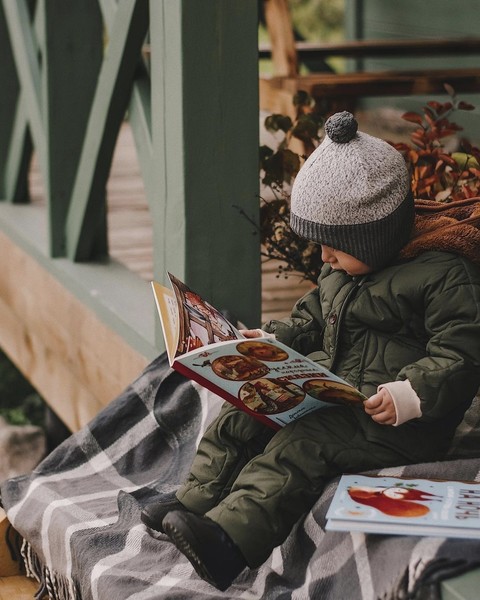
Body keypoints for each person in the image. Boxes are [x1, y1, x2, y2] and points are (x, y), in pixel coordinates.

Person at [141, 111, 480, 591]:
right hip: (332, 386)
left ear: (374, 236)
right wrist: (268, 345)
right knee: (245, 414)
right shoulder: (343, 269)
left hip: (394, 421)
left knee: (301, 445)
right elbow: (311, 318)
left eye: (334, 246)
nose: (323, 257)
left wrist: (409, 395)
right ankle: (194, 502)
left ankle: (228, 542)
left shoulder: (445, 276)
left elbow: (461, 355)